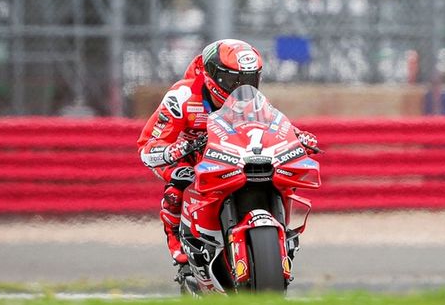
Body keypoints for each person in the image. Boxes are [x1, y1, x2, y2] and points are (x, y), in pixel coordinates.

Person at [136, 39, 319, 279]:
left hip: (234, 154)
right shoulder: (181, 97)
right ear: (215, 77)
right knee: (179, 182)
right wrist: (173, 151)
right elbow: (148, 145)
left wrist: (298, 136)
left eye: (249, 80)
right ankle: (179, 250)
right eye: (235, 80)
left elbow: (275, 123)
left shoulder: (255, 101)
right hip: (191, 156)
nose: (242, 88)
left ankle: (280, 234)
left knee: (278, 173)